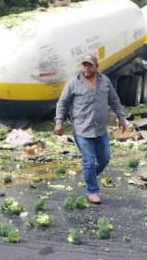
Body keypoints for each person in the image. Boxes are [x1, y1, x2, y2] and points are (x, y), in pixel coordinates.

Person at [54, 54, 127, 204]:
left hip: (100, 129)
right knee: (89, 161)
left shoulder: (105, 81)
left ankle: (89, 177)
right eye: (84, 65)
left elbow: (114, 100)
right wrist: (59, 122)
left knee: (105, 158)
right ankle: (92, 190)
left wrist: (121, 117)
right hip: (82, 129)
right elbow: (62, 103)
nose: (86, 68)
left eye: (89, 65)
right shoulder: (73, 83)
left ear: (96, 66)